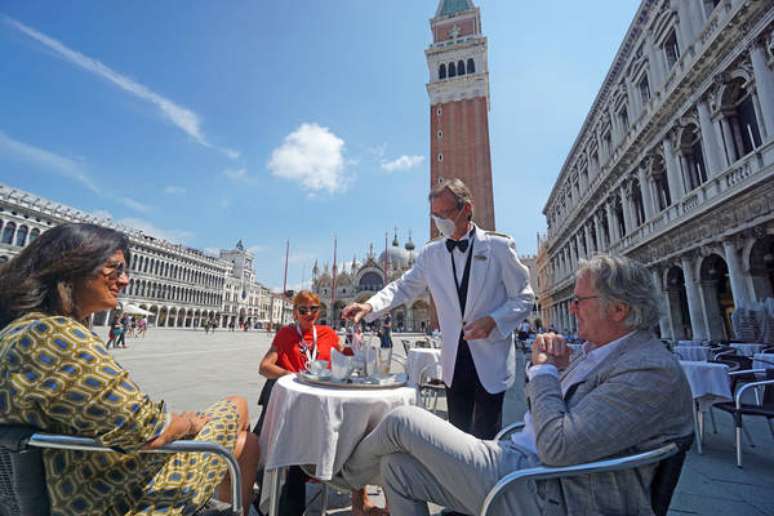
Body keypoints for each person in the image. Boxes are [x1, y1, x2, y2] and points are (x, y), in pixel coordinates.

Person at [340, 254, 694, 515]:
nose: (572, 309)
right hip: (527, 466)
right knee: (398, 468)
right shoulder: (602, 352)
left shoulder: (649, 370)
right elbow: (544, 415)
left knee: (404, 421)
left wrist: (543, 373)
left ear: (618, 309)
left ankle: (342, 475)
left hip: (551, 491)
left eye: (580, 301)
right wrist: (558, 370)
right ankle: (348, 473)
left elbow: (558, 446)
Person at [0, 223, 260, 515]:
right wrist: (188, 423)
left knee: (244, 443)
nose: (125, 280)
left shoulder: (17, 330)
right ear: (72, 268)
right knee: (236, 406)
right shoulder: (54, 336)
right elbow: (149, 431)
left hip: (70, 480)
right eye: (115, 269)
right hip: (116, 496)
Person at [343, 178, 533, 440]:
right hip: (454, 360)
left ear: (466, 208)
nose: (439, 221)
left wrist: (494, 320)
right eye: (435, 216)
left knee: (488, 436)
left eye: (445, 213)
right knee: (456, 434)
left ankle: (485, 481)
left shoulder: (498, 247)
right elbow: (403, 287)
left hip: (491, 357)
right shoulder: (431, 254)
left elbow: (524, 298)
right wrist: (369, 305)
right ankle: (455, 480)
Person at [256, 291, 382, 516]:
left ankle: (359, 501)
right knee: (298, 456)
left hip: (324, 405)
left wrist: (355, 344)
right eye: (303, 310)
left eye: (313, 309)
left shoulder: (327, 333)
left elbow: (345, 358)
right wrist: (293, 375)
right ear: (294, 312)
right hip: (298, 408)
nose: (308, 314)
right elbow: (264, 367)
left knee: (356, 432)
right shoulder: (285, 334)